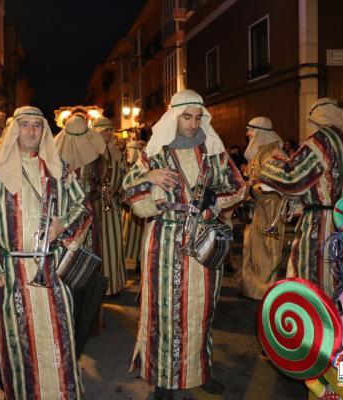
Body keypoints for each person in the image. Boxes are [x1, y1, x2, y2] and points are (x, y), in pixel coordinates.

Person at [122, 90, 246, 399]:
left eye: (197, 117)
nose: (192, 124)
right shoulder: (154, 154)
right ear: (174, 117)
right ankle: (164, 378)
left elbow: (238, 187)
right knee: (165, 312)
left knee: (202, 311)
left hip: (204, 241)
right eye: (186, 117)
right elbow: (129, 194)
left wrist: (213, 202)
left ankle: (200, 371)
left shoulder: (214, 152)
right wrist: (150, 178)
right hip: (165, 242)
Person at [0, 106, 90, 399]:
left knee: (57, 337)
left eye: (37, 126)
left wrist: (62, 224)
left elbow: (83, 206)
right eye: (25, 125)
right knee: (16, 342)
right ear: (15, 129)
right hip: (9, 273)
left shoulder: (58, 169)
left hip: (51, 270)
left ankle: (60, 392)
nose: (32, 131)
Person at [259, 98, 343, 296]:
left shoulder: (321, 140)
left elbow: (293, 177)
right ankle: (338, 322)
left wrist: (271, 162)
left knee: (313, 279)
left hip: (319, 225)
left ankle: (317, 325)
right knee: (339, 278)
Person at [54, 113, 107, 356]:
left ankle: (65, 322)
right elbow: (97, 187)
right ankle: (90, 321)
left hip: (63, 222)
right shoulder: (96, 159)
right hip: (88, 218)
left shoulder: (55, 157)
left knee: (65, 270)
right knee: (88, 267)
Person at [238, 117, 286, 299]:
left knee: (268, 249)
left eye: (250, 130)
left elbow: (278, 183)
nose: (248, 133)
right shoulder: (261, 152)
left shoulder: (273, 153)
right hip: (258, 208)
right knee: (253, 247)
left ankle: (265, 290)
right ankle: (253, 288)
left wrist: (252, 189)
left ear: (260, 132)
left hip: (271, 209)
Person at [91, 116, 127, 296]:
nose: (107, 133)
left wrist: (116, 189)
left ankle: (114, 285)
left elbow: (126, 178)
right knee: (97, 246)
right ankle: (97, 287)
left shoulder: (117, 154)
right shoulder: (90, 152)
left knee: (114, 245)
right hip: (94, 206)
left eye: (110, 130)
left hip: (111, 207)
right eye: (104, 130)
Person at [122, 140, 146, 270]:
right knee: (133, 237)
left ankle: (140, 262)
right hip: (132, 208)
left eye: (130, 150)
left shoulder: (140, 166)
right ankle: (137, 262)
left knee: (140, 235)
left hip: (141, 206)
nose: (128, 153)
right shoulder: (128, 165)